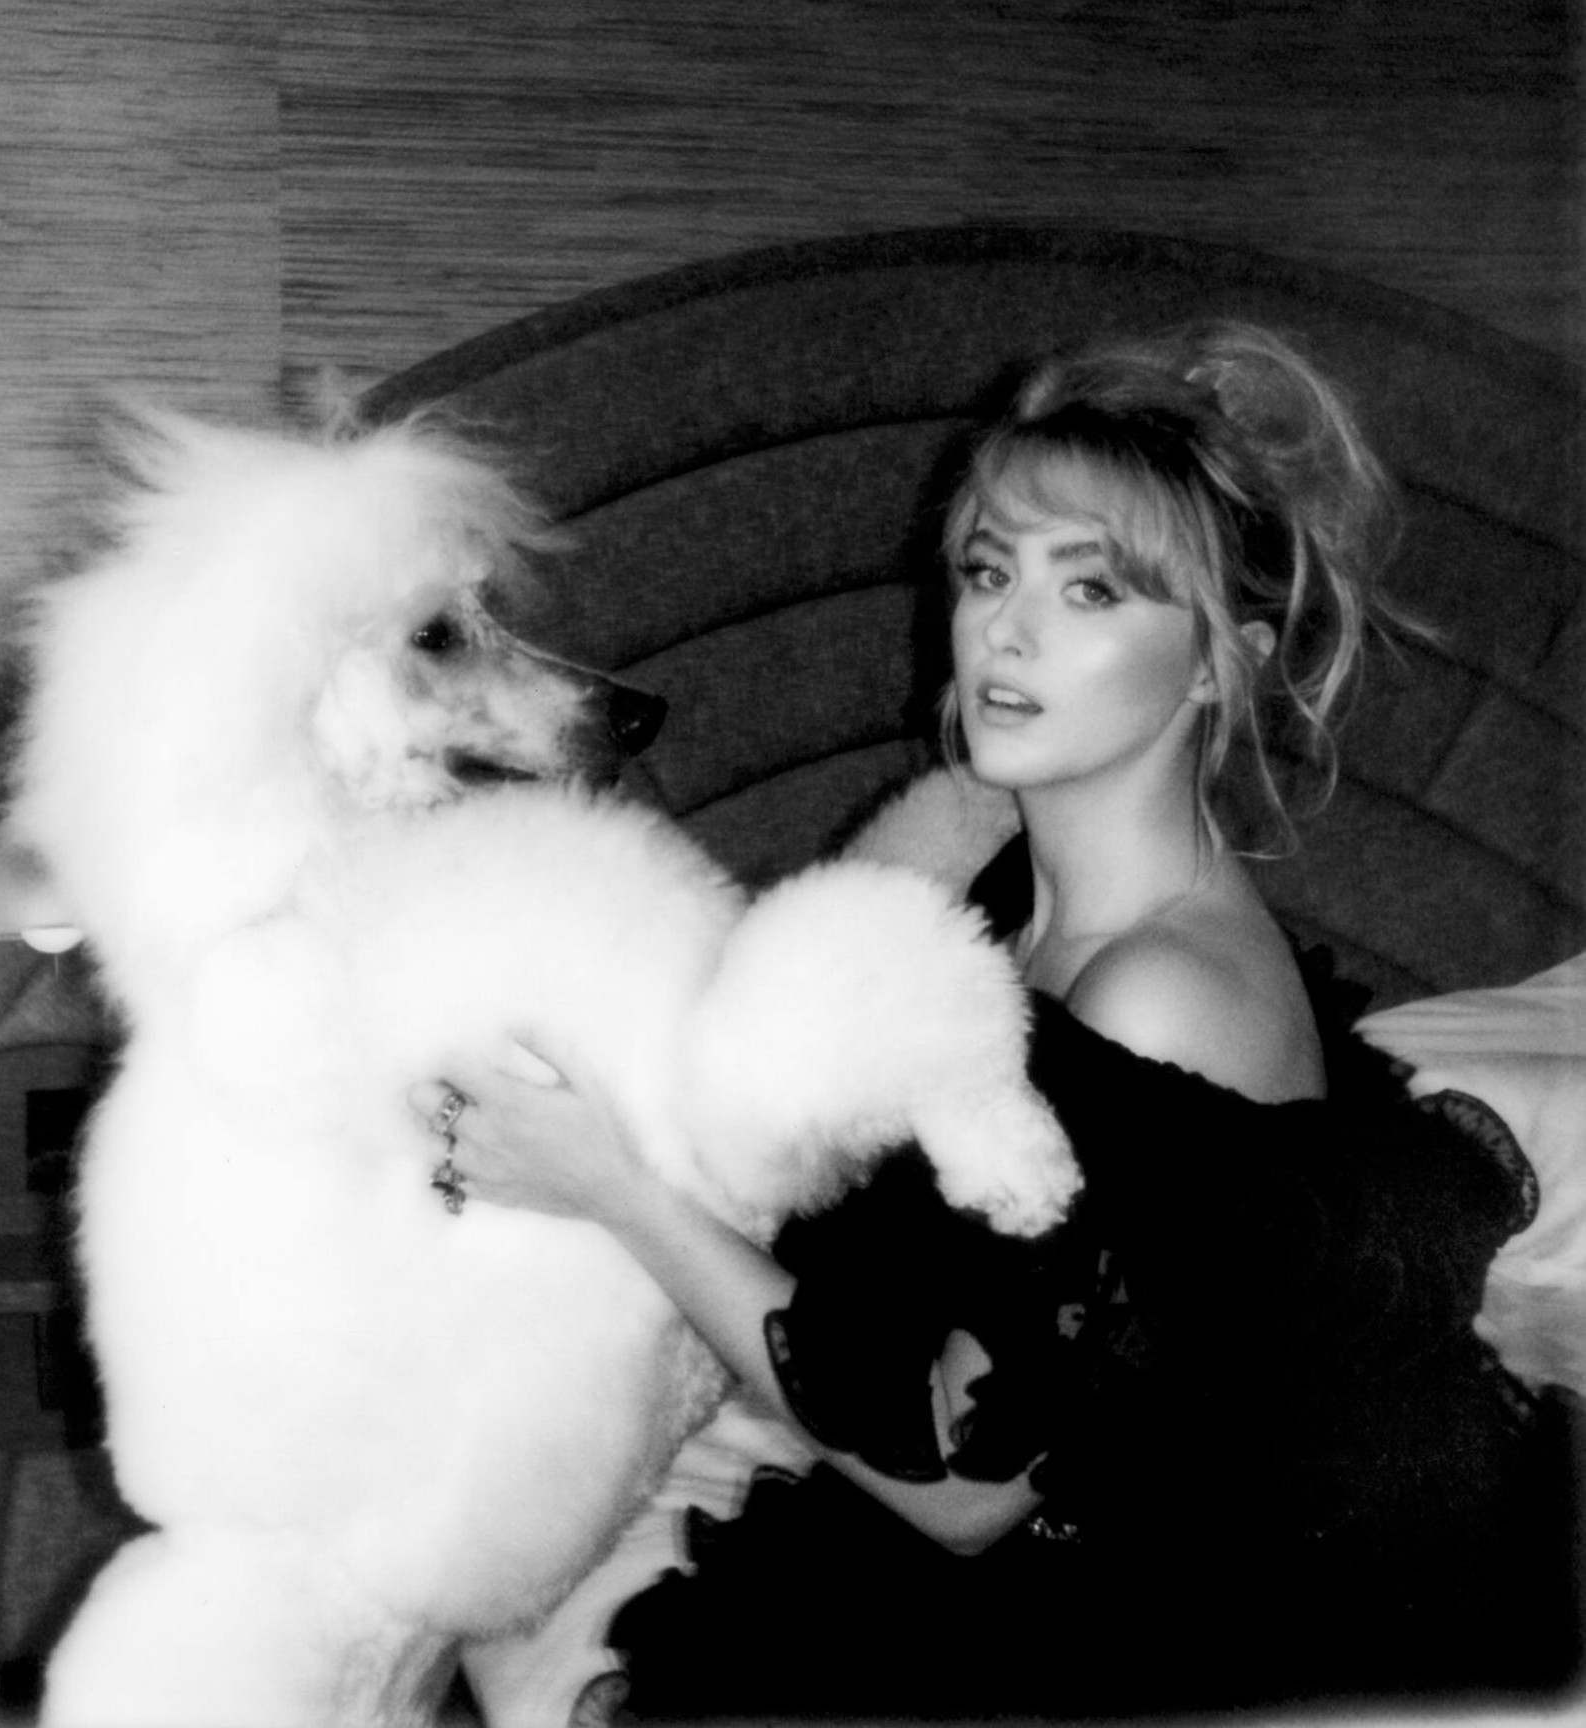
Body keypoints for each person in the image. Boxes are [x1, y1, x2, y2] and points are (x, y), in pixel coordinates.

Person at [409, 323, 1578, 1719]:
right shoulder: (1010, 897)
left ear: (1219, 665)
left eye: (1091, 589)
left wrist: (613, 1188)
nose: (1009, 631)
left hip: (1180, 1614)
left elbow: (963, 1487)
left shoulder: (1160, 993)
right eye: (987, 571)